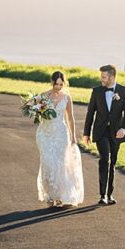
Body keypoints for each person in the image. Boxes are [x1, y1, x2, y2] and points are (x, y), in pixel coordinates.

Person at [82, 64, 125, 205]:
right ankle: (102, 195)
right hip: (101, 131)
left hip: (117, 132)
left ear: (112, 77)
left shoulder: (124, 91)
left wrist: (124, 128)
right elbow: (90, 112)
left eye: (104, 77)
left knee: (113, 163)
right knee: (105, 159)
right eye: (101, 77)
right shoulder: (97, 91)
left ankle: (110, 194)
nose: (101, 79)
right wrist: (86, 133)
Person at [35, 71, 84, 207]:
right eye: (56, 84)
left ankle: (60, 196)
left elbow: (70, 118)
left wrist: (73, 136)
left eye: (61, 84)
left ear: (64, 83)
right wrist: (37, 109)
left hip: (61, 135)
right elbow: (30, 106)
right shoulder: (44, 96)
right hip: (45, 133)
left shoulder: (67, 98)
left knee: (60, 164)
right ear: (52, 82)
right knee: (48, 162)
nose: (58, 87)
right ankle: (50, 195)